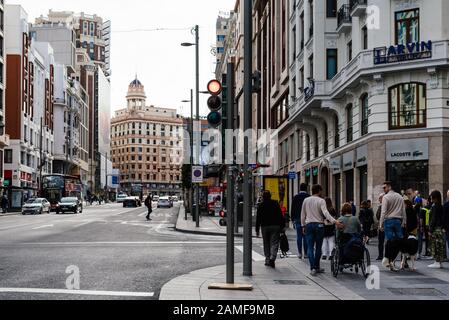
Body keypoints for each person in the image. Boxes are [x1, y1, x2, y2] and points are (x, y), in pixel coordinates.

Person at [301, 185, 344, 276]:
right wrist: (335, 221)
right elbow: (326, 213)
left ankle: (313, 267)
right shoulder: (321, 200)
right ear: (319, 191)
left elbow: (303, 215)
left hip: (309, 225)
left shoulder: (306, 200)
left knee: (310, 247)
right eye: (321, 191)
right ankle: (316, 267)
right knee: (318, 247)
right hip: (319, 225)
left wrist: (303, 226)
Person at [379, 181, 407, 269]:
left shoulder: (386, 197)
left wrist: (380, 224)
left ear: (389, 187)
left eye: (384, 187)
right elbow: (403, 210)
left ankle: (388, 259)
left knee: (390, 241)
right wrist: (404, 222)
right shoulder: (400, 196)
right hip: (398, 221)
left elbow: (383, 212)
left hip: (388, 221)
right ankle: (393, 260)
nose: (383, 189)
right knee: (398, 242)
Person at [256, 191, 285, 269]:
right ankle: (273, 257)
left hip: (264, 226)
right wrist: (282, 226)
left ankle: (267, 259)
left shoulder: (261, 205)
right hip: (275, 226)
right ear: (270, 196)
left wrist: (257, 229)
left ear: (263, 197)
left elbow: (258, 218)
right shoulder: (275, 203)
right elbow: (280, 215)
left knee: (266, 243)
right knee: (274, 243)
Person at [428, 190, 447, 269]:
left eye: (432, 197)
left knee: (435, 245)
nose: (431, 199)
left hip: (435, 228)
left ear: (436, 198)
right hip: (440, 228)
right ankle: (440, 262)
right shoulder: (441, 206)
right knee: (440, 245)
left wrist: (430, 229)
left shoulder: (435, 207)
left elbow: (433, 219)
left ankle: (437, 262)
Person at [290, 183, 310, 259]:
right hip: (306, 219)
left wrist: (292, 219)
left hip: (297, 218)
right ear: (306, 189)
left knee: (299, 236)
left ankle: (299, 253)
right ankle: (305, 253)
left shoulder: (295, 197)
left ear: (300, 188)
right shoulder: (308, 197)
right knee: (305, 236)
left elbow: (293, 209)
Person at [376, 194, 385, 261]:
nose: (379, 200)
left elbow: (377, 216)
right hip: (384, 226)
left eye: (380, 198)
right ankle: (383, 255)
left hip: (382, 226)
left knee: (381, 242)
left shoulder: (381, 207)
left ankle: (381, 255)